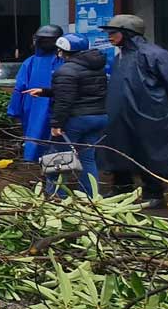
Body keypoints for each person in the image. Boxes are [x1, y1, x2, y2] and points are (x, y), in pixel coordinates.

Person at [99, 15, 168, 209]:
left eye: (113, 33)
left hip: (149, 116)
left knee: (149, 154)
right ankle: (122, 188)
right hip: (121, 116)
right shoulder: (120, 57)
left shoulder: (155, 54)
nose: (109, 37)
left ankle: (154, 193)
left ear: (127, 33)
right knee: (119, 151)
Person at [26, 33, 108, 197]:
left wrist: (57, 124)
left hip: (76, 119)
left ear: (63, 50)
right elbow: (82, 91)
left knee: (57, 157)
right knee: (88, 158)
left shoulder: (65, 70)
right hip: (99, 117)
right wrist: (45, 92)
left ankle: (56, 195)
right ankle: (90, 196)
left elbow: (65, 100)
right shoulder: (96, 66)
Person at [8, 25, 64, 162]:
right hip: (58, 107)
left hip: (33, 106)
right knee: (58, 144)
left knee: (35, 137)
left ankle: (38, 165)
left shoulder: (31, 62)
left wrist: (14, 110)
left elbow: (19, 88)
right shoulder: (64, 61)